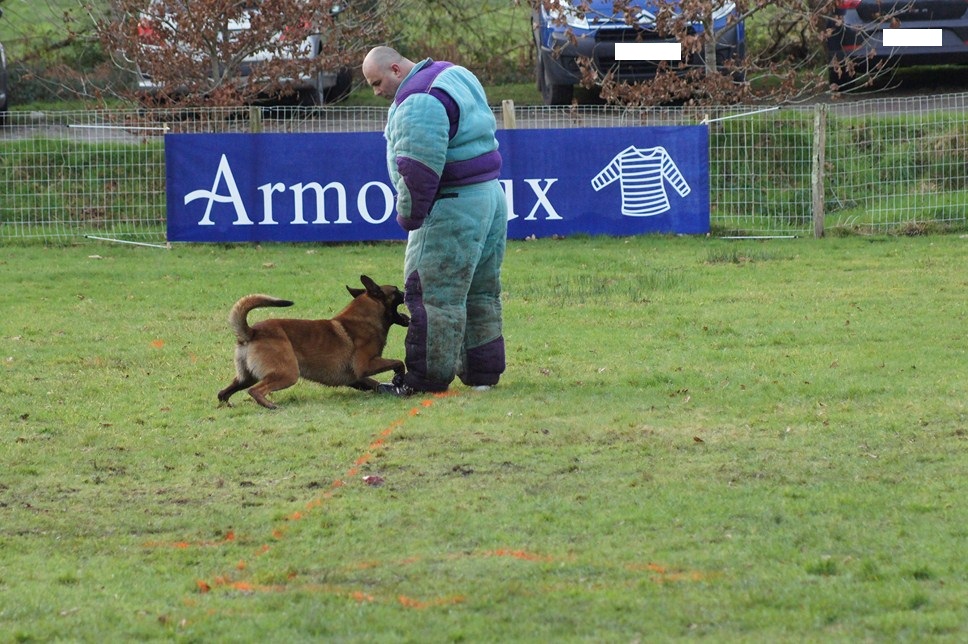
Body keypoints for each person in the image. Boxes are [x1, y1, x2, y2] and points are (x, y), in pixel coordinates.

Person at [361, 46, 507, 396]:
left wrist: (409, 215)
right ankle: (482, 373)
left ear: (396, 69)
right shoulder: (453, 73)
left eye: (377, 82)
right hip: (490, 196)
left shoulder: (419, 100)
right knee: (480, 291)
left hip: (453, 205)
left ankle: (425, 380)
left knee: (432, 296)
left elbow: (417, 168)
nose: (376, 91)